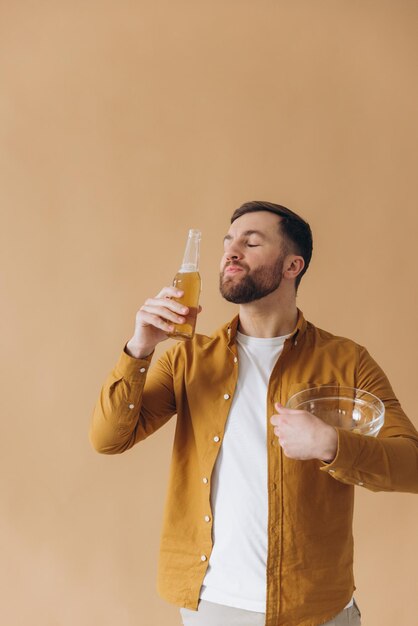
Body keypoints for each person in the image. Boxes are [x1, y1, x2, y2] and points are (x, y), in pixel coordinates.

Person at [90, 201, 418, 626]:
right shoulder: (188, 359)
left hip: (316, 607)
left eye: (252, 241)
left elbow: (411, 464)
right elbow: (109, 438)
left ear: (291, 266)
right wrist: (140, 349)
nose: (231, 251)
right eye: (229, 241)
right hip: (213, 604)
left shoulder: (347, 361)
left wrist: (332, 445)